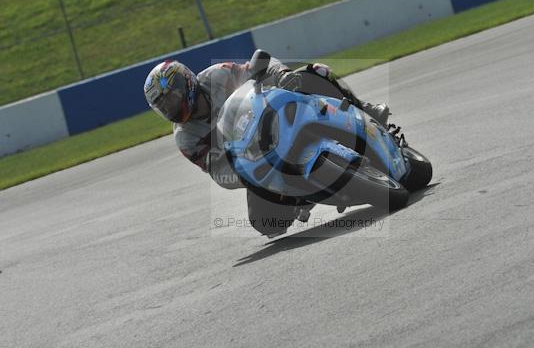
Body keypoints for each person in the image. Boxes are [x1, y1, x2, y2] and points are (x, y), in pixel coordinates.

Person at [143, 51, 390, 235]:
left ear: (186, 83)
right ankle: (300, 198)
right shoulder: (185, 138)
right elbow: (217, 171)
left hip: (273, 115)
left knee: (315, 71)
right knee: (265, 224)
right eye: (163, 107)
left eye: (171, 99)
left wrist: (281, 75)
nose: (170, 109)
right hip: (257, 159)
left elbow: (257, 67)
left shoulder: (217, 75)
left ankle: (365, 110)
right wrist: (245, 169)